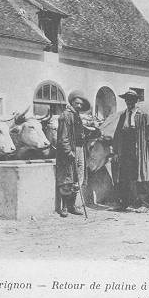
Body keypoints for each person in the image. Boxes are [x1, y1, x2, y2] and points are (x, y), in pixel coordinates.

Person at [113, 90, 149, 212]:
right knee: (124, 177)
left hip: (139, 148)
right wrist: (116, 151)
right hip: (126, 149)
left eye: (131, 100)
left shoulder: (143, 115)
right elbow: (118, 134)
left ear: (136, 101)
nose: (129, 102)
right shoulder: (123, 115)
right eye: (127, 100)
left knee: (141, 175)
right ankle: (124, 203)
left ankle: (144, 204)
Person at [55, 90, 93, 218]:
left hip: (80, 149)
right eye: (77, 103)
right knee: (68, 178)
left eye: (81, 104)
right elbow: (63, 137)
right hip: (70, 150)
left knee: (78, 177)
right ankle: (64, 207)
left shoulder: (77, 115)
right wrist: (68, 151)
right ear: (71, 102)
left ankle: (72, 206)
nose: (79, 106)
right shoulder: (65, 115)